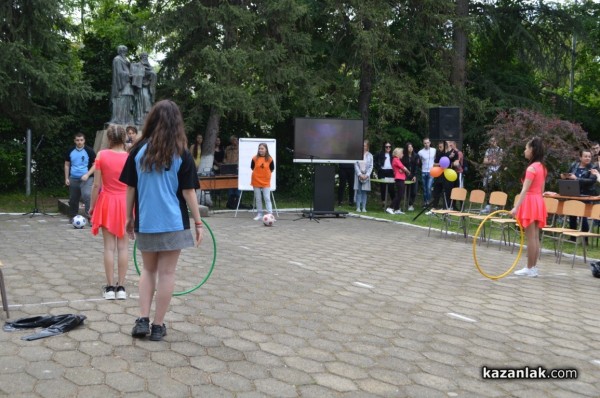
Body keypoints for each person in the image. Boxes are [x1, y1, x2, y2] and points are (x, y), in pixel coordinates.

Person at [120, 100, 203, 341]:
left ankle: (142, 320)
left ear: (152, 119)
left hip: (146, 221)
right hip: (174, 222)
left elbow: (130, 188)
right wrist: (198, 223)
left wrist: (128, 217)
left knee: (148, 269)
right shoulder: (182, 153)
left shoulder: (137, 151)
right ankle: (158, 326)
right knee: (167, 273)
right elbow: (189, 192)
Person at [89, 125, 129, 300]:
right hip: (125, 203)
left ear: (109, 138)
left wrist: (92, 206)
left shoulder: (101, 155)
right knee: (123, 247)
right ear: (124, 138)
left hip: (107, 202)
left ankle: (110, 287)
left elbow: (96, 185)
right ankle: (121, 288)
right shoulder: (130, 158)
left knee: (109, 247)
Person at [511, 137, 547, 277]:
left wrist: (516, 207)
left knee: (531, 237)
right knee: (535, 237)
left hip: (531, 202)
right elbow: (542, 189)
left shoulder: (532, 168)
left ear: (532, 150)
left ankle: (529, 267)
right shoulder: (542, 167)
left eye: (526, 148)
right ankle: (533, 267)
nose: (524, 151)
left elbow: (524, 190)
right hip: (538, 201)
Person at [561, 149, 598, 233]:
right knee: (572, 214)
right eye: (585, 156)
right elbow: (569, 175)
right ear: (580, 157)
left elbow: (591, 180)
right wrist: (565, 176)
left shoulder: (593, 168)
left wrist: (577, 178)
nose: (588, 158)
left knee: (583, 216)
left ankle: (585, 238)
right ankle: (572, 236)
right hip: (573, 193)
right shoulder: (574, 165)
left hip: (586, 195)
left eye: (589, 156)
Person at [64, 133, 96, 221]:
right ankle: (73, 216)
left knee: (87, 195)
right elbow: (67, 165)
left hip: (87, 178)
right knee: (73, 198)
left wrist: (87, 174)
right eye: (77, 140)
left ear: (84, 140)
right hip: (73, 178)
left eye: (81, 140)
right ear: (74, 141)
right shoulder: (70, 150)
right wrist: (66, 178)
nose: (79, 142)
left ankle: (90, 217)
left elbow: (95, 165)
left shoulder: (89, 151)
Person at [110, 45, 134, 125]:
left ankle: (126, 120)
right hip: (121, 85)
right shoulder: (117, 59)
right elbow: (118, 72)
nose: (125, 52)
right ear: (119, 51)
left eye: (125, 51)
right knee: (121, 101)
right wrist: (129, 75)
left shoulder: (125, 60)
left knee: (127, 102)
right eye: (123, 51)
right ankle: (119, 120)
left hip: (127, 84)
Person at [251, 143, 275, 220]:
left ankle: (270, 215)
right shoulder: (254, 158)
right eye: (259, 148)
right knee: (258, 198)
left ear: (266, 149)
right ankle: (259, 214)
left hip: (265, 181)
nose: (260, 150)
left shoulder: (270, 159)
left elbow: (272, 169)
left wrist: (265, 175)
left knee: (267, 198)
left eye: (262, 148)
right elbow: (252, 167)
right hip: (256, 180)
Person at [132, 52, 157, 126]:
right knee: (141, 104)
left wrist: (151, 74)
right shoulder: (137, 65)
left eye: (146, 56)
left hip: (148, 88)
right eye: (143, 56)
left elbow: (154, 75)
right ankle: (139, 119)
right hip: (140, 88)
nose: (145, 57)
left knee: (148, 104)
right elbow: (134, 76)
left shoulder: (150, 67)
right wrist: (143, 73)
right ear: (141, 57)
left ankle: (147, 120)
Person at [386, 147, 411, 215]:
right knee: (399, 194)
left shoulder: (397, 160)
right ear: (398, 154)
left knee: (400, 194)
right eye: (402, 153)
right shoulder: (396, 159)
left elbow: (402, 167)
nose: (403, 154)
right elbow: (403, 167)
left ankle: (397, 209)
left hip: (401, 178)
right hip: (399, 178)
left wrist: (403, 170)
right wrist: (407, 171)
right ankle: (390, 208)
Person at [482, 136, 503, 213]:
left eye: (494, 141)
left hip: (497, 172)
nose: (492, 143)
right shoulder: (488, 150)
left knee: (497, 188)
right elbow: (484, 161)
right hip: (489, 172)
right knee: (488, 188)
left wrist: (490, 161)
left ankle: (498, 206)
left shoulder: (500, 150)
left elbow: (499, 161)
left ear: (497, 142)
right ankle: (488, 205)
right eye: (491, 141)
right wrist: (491, 161)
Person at [354, 140, 373, 213]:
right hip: (358, 175)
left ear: (367, 146)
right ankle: (358, 207)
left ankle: (364, 207)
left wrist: (367, 175)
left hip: (366, 175)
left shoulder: (370, 155)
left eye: (364, 146)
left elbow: (371, 166)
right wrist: (359, 174)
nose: (363, 147)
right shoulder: (357, 154)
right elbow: (355, 164)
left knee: (364, 192)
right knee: (358, 191)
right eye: (362, 145)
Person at [374, 142, 396, 206]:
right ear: (384, 147)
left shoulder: (393, 155)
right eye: (386, 147)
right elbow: (374, 160)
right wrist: (378, 167)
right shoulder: (380, 153)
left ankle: (394, 202)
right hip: (382, 171)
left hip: (390, 171)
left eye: (389, 147)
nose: (388, 148)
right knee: (383, 187)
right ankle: (383, 202)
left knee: (391, 187)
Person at [417, 138, 437, 207]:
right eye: (425, 143)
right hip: (423, 172)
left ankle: (428, 202)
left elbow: (436, 160)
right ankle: (425, 203)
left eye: (427, 142)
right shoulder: (420, 152)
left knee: (429, 188)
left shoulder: (434, 150)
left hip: (431, 172)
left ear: (430, 142)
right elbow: (418, 162)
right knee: (425, 189)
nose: (426, 144)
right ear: (423, 143)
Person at [402, 142, 419, 211]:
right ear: (406, 148)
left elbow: (417, 166)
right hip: (406, 175)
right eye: (409, 147)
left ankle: (411, 203)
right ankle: (408, 203)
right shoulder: (403, 156)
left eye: (411, 146)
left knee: (414, 191)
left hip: (414, 174)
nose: (411, 148)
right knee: (407, 190)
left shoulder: (416, 155)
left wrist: (414, 175)